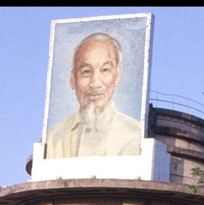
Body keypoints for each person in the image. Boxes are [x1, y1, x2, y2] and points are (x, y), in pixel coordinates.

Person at [46, 31, 143, 159]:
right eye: (86, 71)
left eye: (105, 70)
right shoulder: (54, 137)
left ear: (117, 76)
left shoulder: (135, 134)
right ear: (73, 79)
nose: (95, 83)